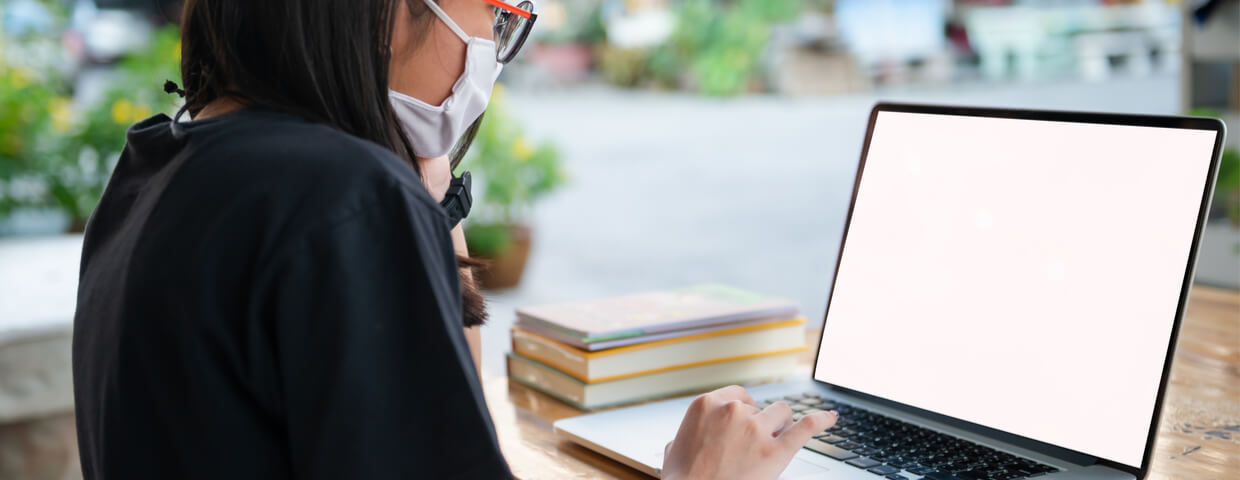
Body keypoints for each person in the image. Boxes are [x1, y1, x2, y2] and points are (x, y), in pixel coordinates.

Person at [70, 1, 839, 479]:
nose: (492, 48)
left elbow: (455, 436)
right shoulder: (339, 198)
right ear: (381, 12)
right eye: (496, 13)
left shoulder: (165, 161)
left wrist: (427, 198)